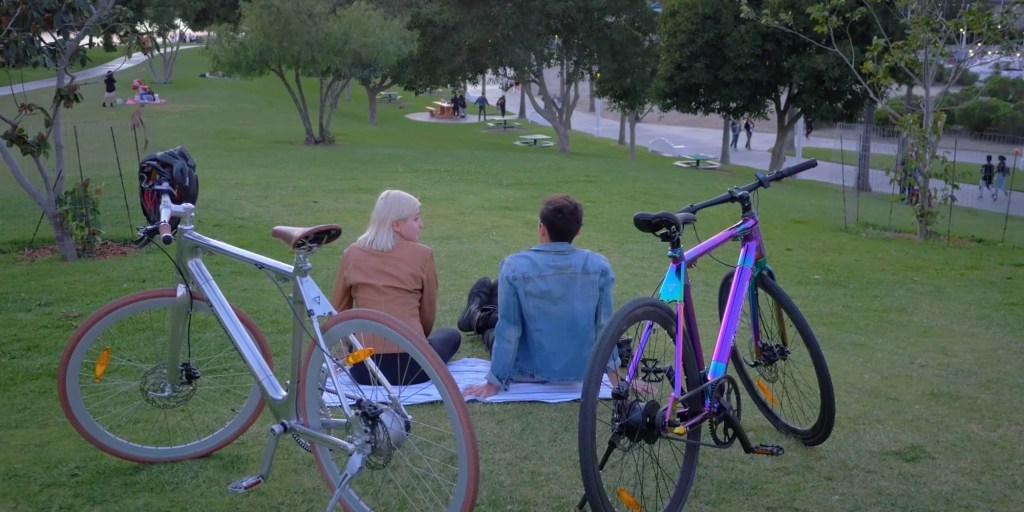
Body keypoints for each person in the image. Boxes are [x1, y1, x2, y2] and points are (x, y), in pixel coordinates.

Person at [459, 194, 615, 399]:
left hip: (526, 370)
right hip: (581, 370)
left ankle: (477, 315)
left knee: (492, 331)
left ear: (542, 228)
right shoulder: (599, 266)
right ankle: (480, 307)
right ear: (578, 231)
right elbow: (605, 326)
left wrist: (494, 382)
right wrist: (617, 380)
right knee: (501, 295)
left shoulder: (514, 265)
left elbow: (509, 329)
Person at [331, 190, 461, 386]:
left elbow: (338, 312)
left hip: (363, 370)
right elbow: (427, 314)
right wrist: (417, 341)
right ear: (397, 225)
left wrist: (351, 348)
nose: (421, 225)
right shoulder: (423, 255)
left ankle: (352, 356)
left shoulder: (352, 254)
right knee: (451, 335)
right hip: (414, 367)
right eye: (416, 219)